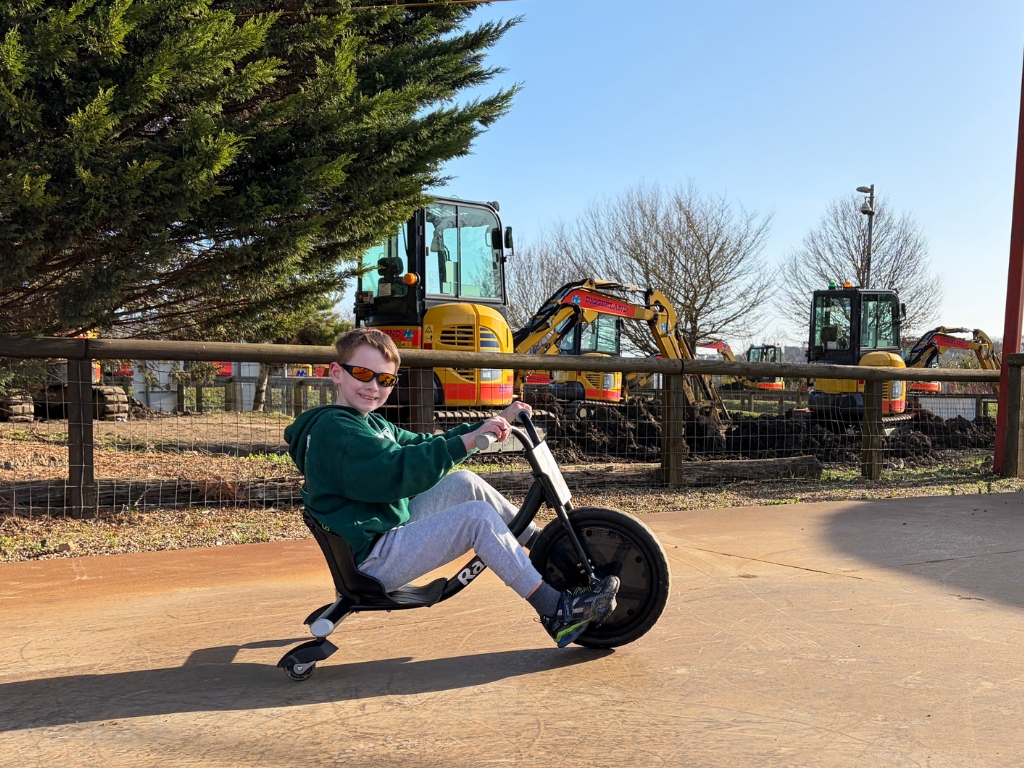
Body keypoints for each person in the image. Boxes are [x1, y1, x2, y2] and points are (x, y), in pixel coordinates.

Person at [284, 327, 619, 647]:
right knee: (476, 518)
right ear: (336, 372)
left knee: (463, 482)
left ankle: (551, 549)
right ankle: (557, 611)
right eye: (362, 373)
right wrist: (467, 443)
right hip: (373, 560)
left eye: (385, 379)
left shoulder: (366, 422)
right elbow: (397, 470)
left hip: (383, 532)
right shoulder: (337, 432)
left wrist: (488, 425)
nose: (373, 386)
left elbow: (421, 444)